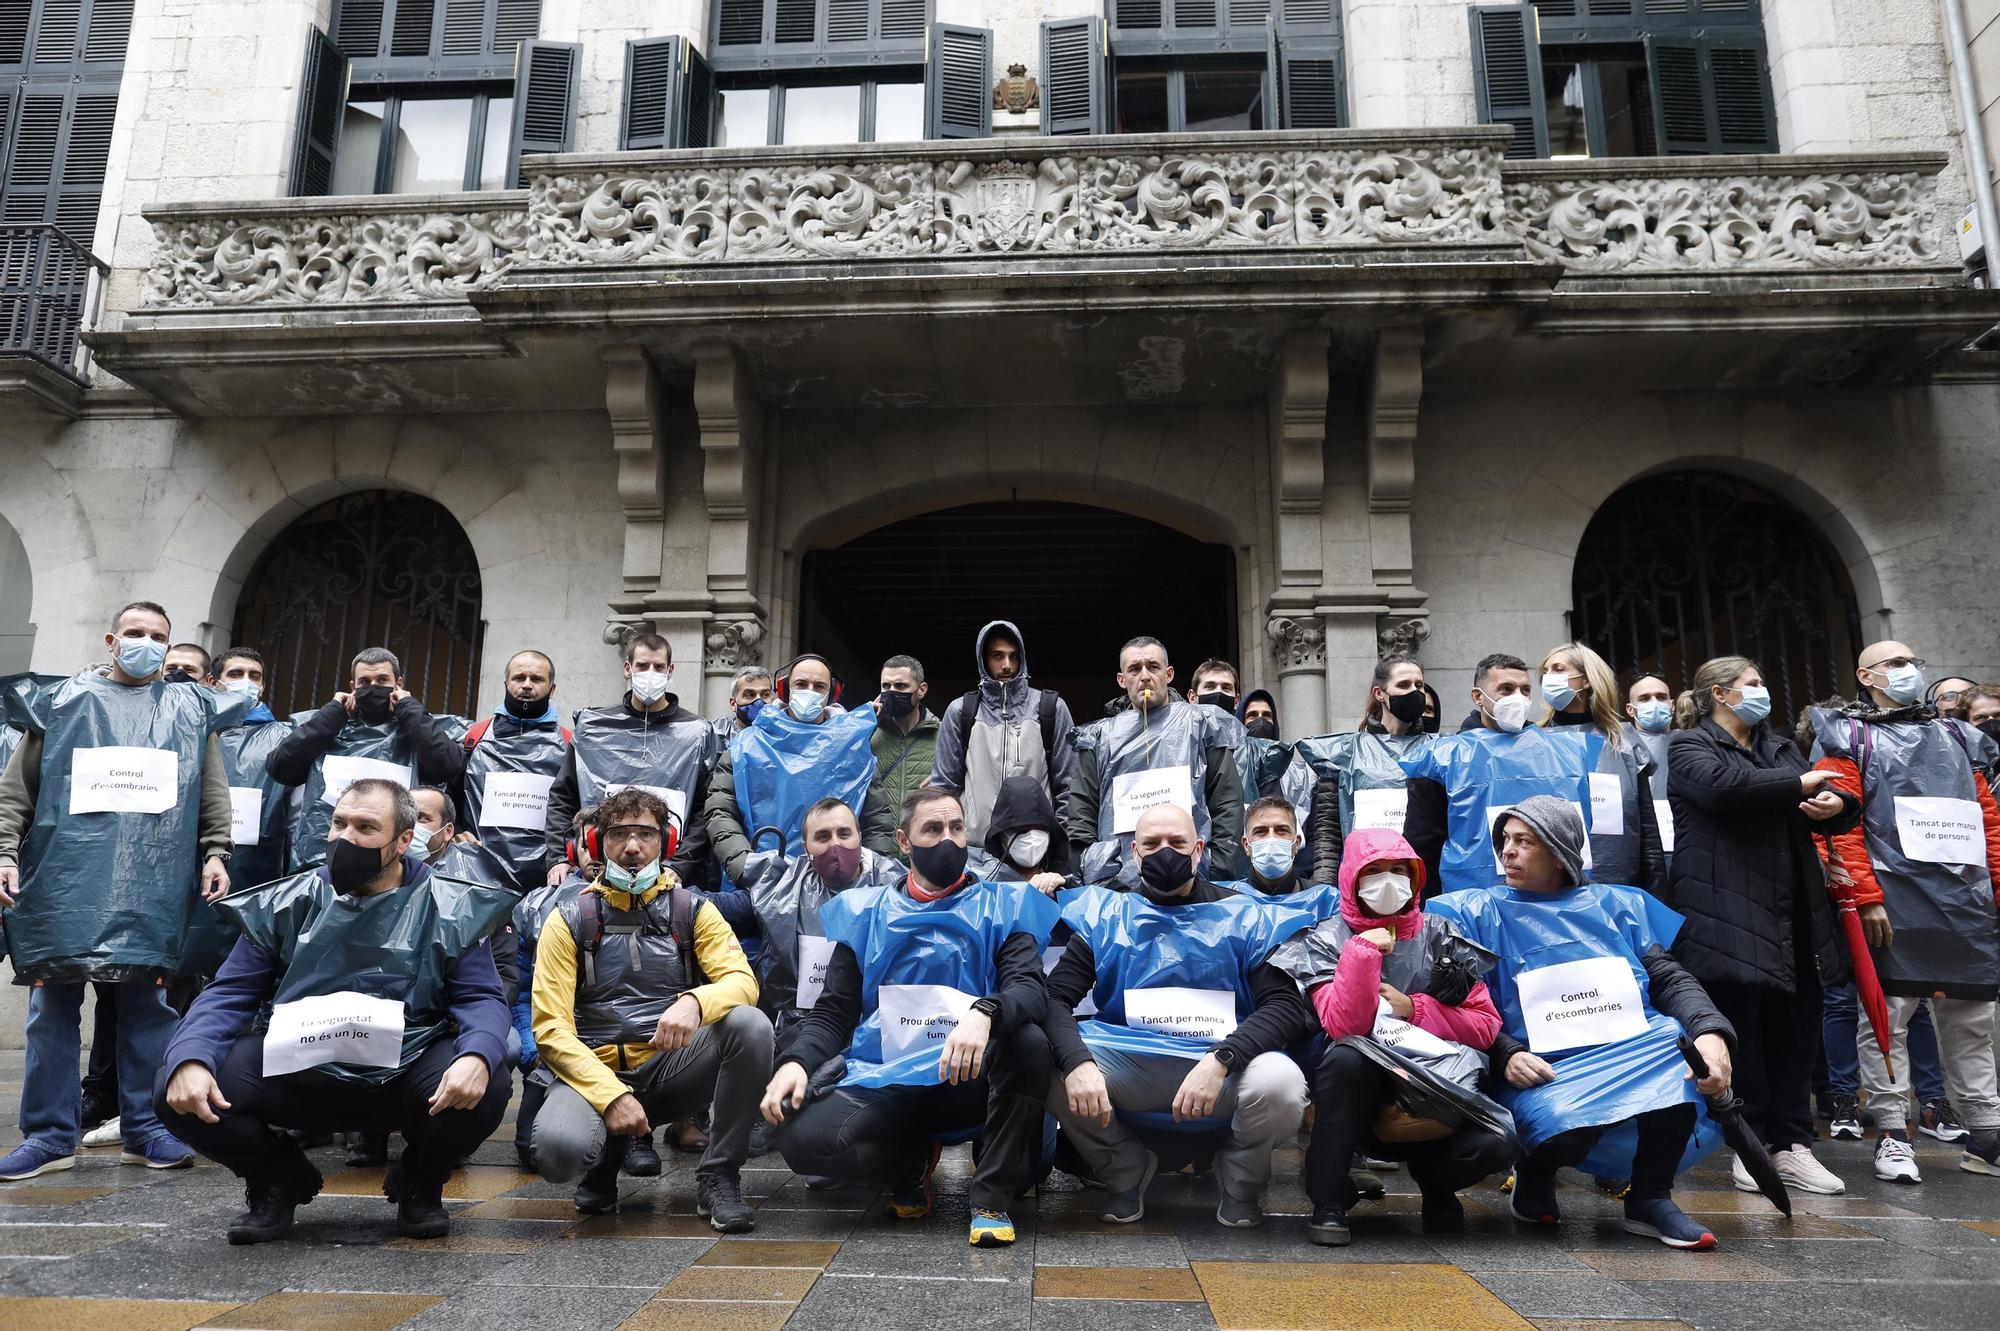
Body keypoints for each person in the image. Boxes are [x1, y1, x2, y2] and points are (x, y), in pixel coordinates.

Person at [157, 779, 512, 1242]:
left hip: (404, 1073)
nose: (346, 838)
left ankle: (420, 1182)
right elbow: (229, 993)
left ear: (404, 841)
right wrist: (190, 1059)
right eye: (339, 823)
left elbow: (481, 998)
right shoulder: (287, 902)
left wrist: (477, 1056)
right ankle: (275, 1177)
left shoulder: (451, 907)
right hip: (299, 1069)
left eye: (366, 827)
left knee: (489, 1081)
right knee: (176, 1088)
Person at [0, 602, 246, 1181]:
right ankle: (49, 1136)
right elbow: (17, 791)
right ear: (112, 640)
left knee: (147, 1007)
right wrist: (3, 851)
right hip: (62, 881)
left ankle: (146, 1127)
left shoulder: (190, 709)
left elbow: (213, 790)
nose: (147, 644)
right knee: (51, 1009)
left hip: (150, 883)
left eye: (158, 636)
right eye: (135, 634)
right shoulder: (61, 702)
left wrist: (216, 851)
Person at [1430, 797, 1735, 1250]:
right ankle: (1536, 1171)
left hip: (1627, 1052)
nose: (1507, 851)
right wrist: (1504, 1052)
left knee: (1680, 1050)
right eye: (1505, 841)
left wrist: (1711, 1033)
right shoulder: (1474, 913)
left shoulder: (1616, 906)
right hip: (1538, 1067)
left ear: (1558, 852)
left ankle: (1651, 1196)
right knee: (1564, 1124)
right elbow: (1448, 1003)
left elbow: (1669, 978)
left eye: (1523, 841)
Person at [761, 787, 1058, 1248]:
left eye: (957, 828)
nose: (949, 840)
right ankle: (911, 1158)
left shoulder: (1004, 905)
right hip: (893, 1080)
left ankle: (991, 1198)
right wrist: (795, 1064)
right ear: (903, 841)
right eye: (933, 829)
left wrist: (986, 1012)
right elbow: (834, 1010)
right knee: (804, 1140)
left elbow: (1029, 988)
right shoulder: (866, 913)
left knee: (1030, 1052)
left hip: (975, 1078)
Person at [1045, 804, 1313, 1228]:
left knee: (1282, 1083)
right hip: (1131, 1064)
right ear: (1134, 852)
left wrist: (1223, 1057)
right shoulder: (1105, 915)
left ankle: (1240, 1180)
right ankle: (1124, 1170)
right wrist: (1077, 1063)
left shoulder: (1247, 915)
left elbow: (1284, 1007)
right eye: (1151, 844)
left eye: (1177, 843)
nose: (1164, 852)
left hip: (1222, 1069)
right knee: (1042, 1056)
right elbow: (1054, 998)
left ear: (1199, 849)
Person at [529, 787, 772, 1228]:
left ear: (667, 843)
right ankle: (605, 1158)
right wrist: (611, 1095)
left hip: (670, 1069)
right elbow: (550, 1030)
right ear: (598, 843)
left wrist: (697, 1003)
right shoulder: (567, 918)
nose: (633, 847)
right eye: (620, 834)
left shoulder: (692, 910)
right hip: (594, 1074)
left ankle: (719, 1176)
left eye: (646, 833)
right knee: (558, 1151)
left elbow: (743, 983)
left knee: (750, 1026)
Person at [1809, 641, 2000, 1181]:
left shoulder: (1961, 738)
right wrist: (1864, 898)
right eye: (1895, 664)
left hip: (1966, 904)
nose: (1909, 670)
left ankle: (1988, 1135)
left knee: (1973, 1019)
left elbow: (1987, 820)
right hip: (1894, 906)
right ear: (1865, 674)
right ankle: (1892, 1131)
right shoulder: (1848, 738)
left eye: (1913, 662)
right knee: (1886, 1018)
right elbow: (1838, 827)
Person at [1665, 656, 1855, 1196]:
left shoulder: (1778, 745)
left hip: (1793, 908)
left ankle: (1794, 1144)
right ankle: (1752, 1147)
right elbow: (1724, 789)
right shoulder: (1689, 745)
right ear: (1721, 694)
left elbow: (1839, 797)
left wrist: (1832, 801)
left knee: (1796, 1027)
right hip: (1726, 910)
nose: (1763, 691)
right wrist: (1800, 783)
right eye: (1752, 684)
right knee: (1742, 1027)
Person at [1271, 827, 1513, 1245]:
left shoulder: (1440, 934)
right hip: (1357, 1098)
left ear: (1415, 878)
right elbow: (1344, 1025)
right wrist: (1362, 952)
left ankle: (1437, 1187)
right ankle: (1329, 1199)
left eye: (1398, 870)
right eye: (1374, 871)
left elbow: (1486, 1025)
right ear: (1351, 879)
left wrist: (1415, 1009)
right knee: (1348, 1056)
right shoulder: (1326, 938)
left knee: (1497, 1143)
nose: (1388, 881)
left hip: (1437, 1089)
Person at [1401, 654, 1600, 894]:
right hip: (1475, 907)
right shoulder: (1444, 757)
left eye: (1525, 690)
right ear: (1478, 697)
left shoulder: (1567, 751)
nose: (1518, 698)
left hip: (1559, 901)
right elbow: (1423, 847)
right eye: (1506, 689)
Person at [265, 647, 467, 871]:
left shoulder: (416, 725)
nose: (373, 687)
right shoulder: (329, 723)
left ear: (398, 684)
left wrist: (409, 709)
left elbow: (449, 765)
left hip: (390, 862)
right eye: (364, 681)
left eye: (382, 680)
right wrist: (332, 714)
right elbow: (280, 766)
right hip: (321, 862)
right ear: (352, 687)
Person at [1065, 636, 1246, 882]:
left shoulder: (1203, 725)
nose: (1144, 676)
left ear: (1169, 674)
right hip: (1119, 885)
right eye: (1134, 669)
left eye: (1153, 666)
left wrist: (1218, 869)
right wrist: (1094, 871)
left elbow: (1226, 802)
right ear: (1122, 679)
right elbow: (1082, 812)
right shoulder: (1098, 739)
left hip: (1194, 879)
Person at [545, 634, 715, 889]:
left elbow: (706, 809)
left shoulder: (697, 733)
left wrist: (680, 865)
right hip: (599, 872)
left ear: (670, 671)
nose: (650, 673)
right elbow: (562, 797)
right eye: (642, 666)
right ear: (628, 668)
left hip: (669, 874)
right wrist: (559, 857)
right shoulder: (593, 728)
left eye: (658, 667)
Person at [706, 652, 898, 878]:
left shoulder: (853, 748)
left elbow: (877, 822)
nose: (810, 691)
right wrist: (745, 865)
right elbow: (721, 811)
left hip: (839, 884)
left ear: (831, 694)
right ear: (786, 689)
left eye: (819, 686)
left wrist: (868, 877)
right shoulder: (747, 744)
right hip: (760, 884)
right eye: (801, 684)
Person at [928, 620, 1077, 845]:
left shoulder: (1050, 708)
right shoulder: (961, 711)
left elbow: (1069, 786)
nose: (1007, 665)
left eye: (1014, 656)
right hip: (975, 850)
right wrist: (949, 844)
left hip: (1036, 849)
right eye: (997, 656)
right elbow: (944, 788)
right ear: (983, 659)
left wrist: (1059, 847)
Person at [1537, 643, 1667, 894]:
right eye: (1546, 671)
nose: (1549, 677)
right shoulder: (1533, 742)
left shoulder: (1625, 742)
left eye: (1558, 669)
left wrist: (1656, 894)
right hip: (1550, 889)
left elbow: (1648, 832)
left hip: (1617, 889)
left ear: (1586, 680)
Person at [1297, 655, 1438, 883]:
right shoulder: (1344, 753)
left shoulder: (1440, 750)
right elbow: (1329, 832)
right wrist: (1325, 886)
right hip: (1363, 878)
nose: (1414, 691)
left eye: (1418, 685)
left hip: (1422, 876)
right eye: (1403, 685)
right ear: (1379, 693)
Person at [459, 650, 569, 891]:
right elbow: (451, 790)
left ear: (552, 688)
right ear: (506, 683)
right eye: (519, 678)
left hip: (547, 876)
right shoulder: (475, 737)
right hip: (479, 870)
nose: (527, 685)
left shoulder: (569, 744)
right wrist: (457, 831)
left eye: (537, 679)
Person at [971, 774, 1074, 896]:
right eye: (1022, 829)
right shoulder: (982, 883)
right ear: (1001, 835)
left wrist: (1062, 888)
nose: (1032, 837)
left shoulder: (1067, 875)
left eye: (1039, 828)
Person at [1232, 796, 1333, 910]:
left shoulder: (1324, 901)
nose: (1271, 839)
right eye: (1260, 831)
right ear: (1246, 845)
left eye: (1281, 830)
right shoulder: (1228, 902)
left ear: (1296, 844)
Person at [872, 655, 940, 816]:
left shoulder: (943, 735)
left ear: (921, 690)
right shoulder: (868, 733)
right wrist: (864, 726)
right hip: (878, 838)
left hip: (923, 836)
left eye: (900, 686)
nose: (892, 691)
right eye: (886, 686)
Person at [711, 665, 775, 746]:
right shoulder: (714, 738)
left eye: (765, 695)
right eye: (749, 695)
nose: (759, 702)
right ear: (733, 704)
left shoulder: (783, 736)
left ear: (772, 701)